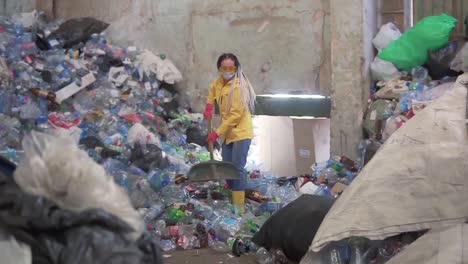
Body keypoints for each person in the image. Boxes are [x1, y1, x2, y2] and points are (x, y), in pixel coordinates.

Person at [204, 53, 256, 213]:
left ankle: (239, 207)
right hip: (228, 133)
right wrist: (209, 106)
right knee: (227, 167)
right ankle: (233, 196)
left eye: (230, 68)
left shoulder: (241, 87)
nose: (227, 71)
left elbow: (235, 116)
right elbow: (213, 90)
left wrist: (216, 133)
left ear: (236, 68)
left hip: (240, 132)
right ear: (219, 68)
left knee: (237, 169)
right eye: (223, 68)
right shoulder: (219, 82)